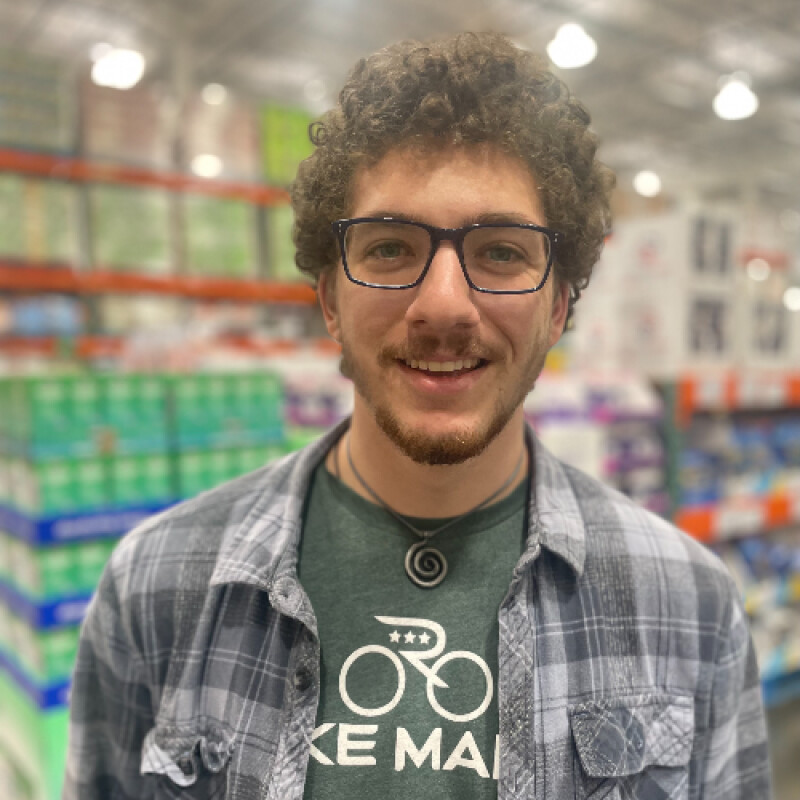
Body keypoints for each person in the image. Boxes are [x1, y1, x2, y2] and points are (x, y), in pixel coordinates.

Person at [63, 32, 771, 800]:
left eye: (501, 252)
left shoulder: (689, 607)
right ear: (330, 300)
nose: (443, 306)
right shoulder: (155, 587)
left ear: (558, 307)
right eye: (391, 248)